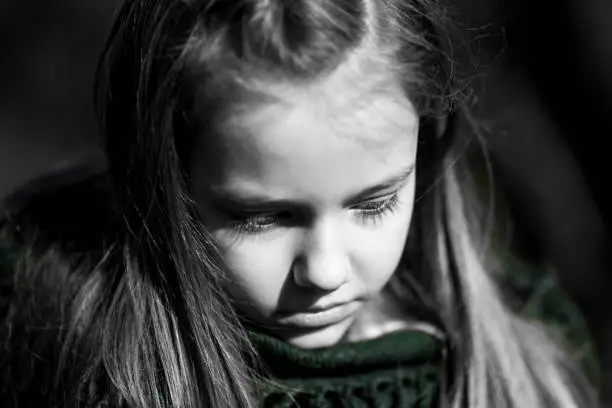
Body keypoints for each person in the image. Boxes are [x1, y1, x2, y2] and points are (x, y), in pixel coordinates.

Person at [0, 0, 599, 406]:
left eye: (375, 203)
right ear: (162, 182)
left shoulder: (529, 350)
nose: (326, 271)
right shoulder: (55, 335)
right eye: (263, 217)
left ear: (429, 142)